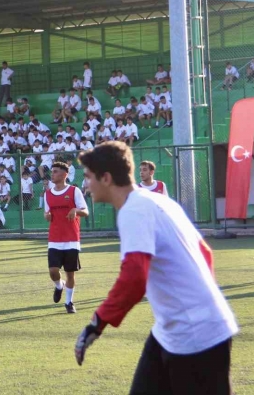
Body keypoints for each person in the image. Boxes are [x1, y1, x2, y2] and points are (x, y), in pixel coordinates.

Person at [74, 142, 239, 394]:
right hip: (170, 331)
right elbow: (205, 253)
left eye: (88, 177)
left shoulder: (134, 211)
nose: (86, 184)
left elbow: (134, 277)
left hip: (197, 336)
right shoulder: (156, 201)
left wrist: (97, 323)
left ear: (105, 178)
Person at [44, 161, 89, 314]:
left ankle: (69, 302)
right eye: (52, 171)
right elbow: (47, 213)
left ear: (65, 174)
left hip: (71, 239)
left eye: (56, 171)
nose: (53, 174)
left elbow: (85, 211)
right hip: (54, 239)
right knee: (53, 271)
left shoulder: (74, 191)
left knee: (70, 273)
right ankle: (58, 286)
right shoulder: (48, 193)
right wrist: (47, 215)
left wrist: (75, 210)